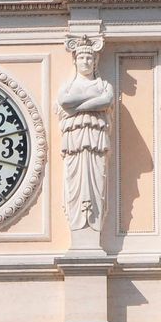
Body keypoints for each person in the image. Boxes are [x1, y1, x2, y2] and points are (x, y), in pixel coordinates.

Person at [56, 35, 113, 232]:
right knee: (75, 181)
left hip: (96, 140)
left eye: (89, 58)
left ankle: (91, 221)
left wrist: (77, 106)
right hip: (75, 142)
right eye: (81, 58)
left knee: (96, 177)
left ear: (95, 61)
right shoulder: (68, 87)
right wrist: (91, 101)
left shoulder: (104, 86)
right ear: (75, 60)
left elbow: (106, 100)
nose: (85, 62)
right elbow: (64, 102)